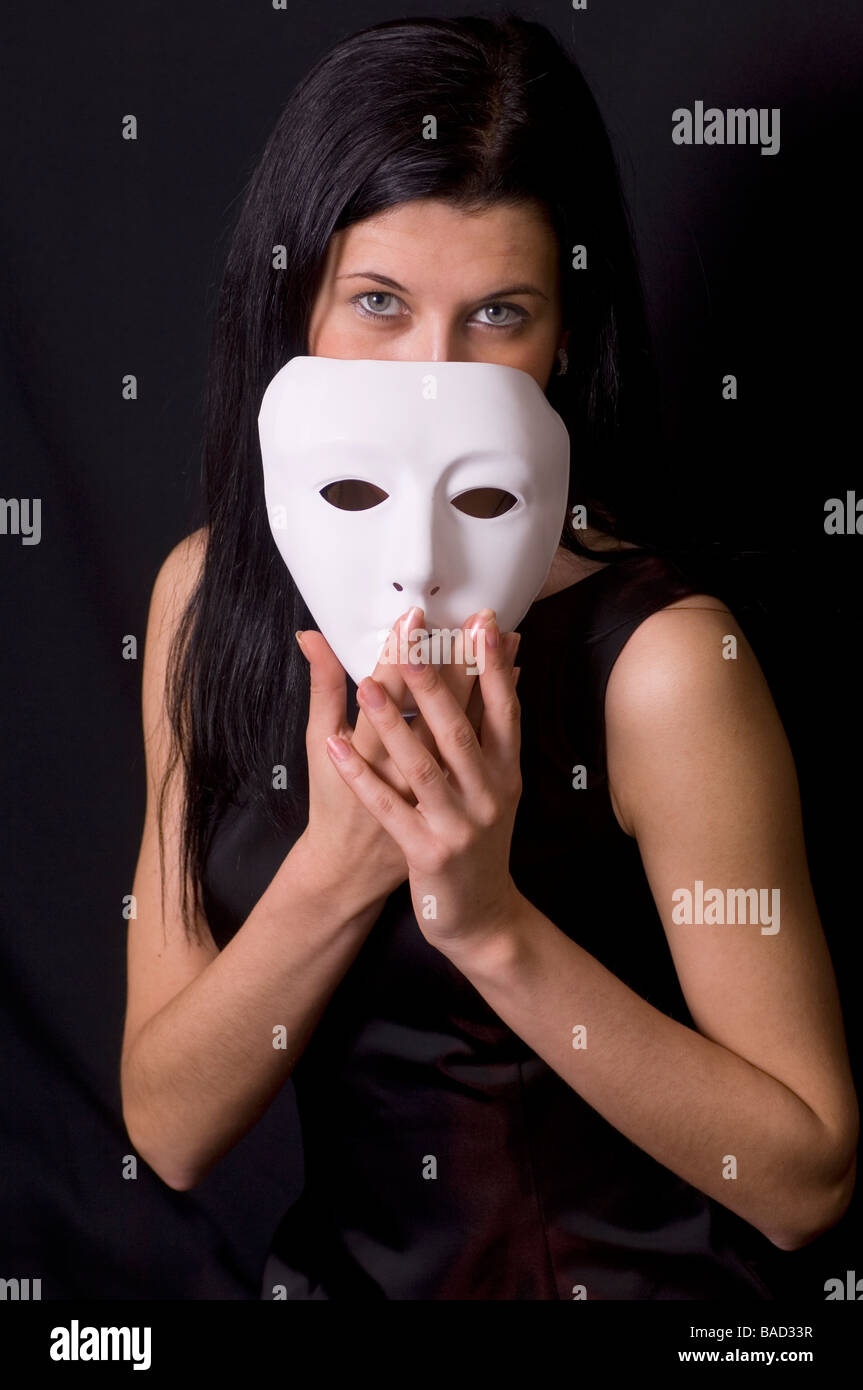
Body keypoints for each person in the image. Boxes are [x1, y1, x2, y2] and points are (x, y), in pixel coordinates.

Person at [120, 14, 858, 1300]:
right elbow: (168, 1131)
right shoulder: (202, 599)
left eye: (497, 315)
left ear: (564, 340)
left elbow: (803, 1184)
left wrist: (490, 924)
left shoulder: (664, 666)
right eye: (379, 305)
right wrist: (342, 868)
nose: (430, 376)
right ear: (294, 300)